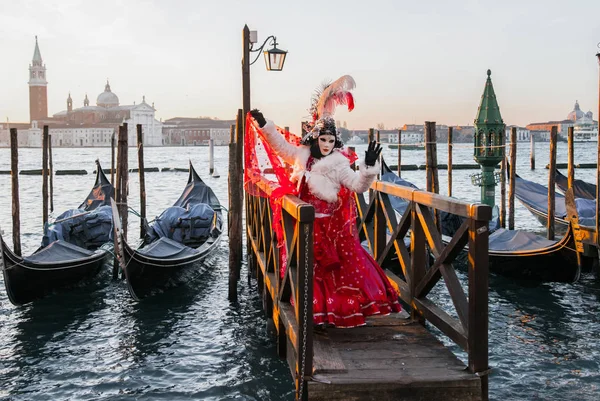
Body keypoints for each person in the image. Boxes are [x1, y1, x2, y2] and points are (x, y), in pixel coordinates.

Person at [248, 75, 401, 328]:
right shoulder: (301, 155)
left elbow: (357, 185)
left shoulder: (339, 164)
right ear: (315, 139)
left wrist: (369, 167)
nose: (328, 145)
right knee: (306, 271)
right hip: (302, 223)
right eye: (324, 140)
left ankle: (333, 314)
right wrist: (265, 125)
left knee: (335, 274)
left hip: (329, 229)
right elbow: (280, 147)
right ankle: (313, 313)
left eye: (332, 141)